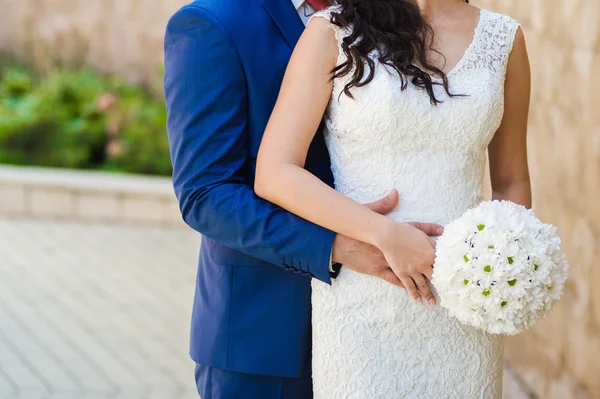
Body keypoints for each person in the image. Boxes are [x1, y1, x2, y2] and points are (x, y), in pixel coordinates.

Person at [163, 0, 443, 397]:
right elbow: (205, 193)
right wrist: (337, 245)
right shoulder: (213, 22)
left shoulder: (396, 15)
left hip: (386, 329)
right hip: (265, 338)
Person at [255, 0, 532, 397]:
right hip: (364, 298)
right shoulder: (332, 30)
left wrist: (502, 270)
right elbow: (275, 172)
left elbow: (511, 181)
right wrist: (385, 234)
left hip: (463, 309)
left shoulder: (503, 39)